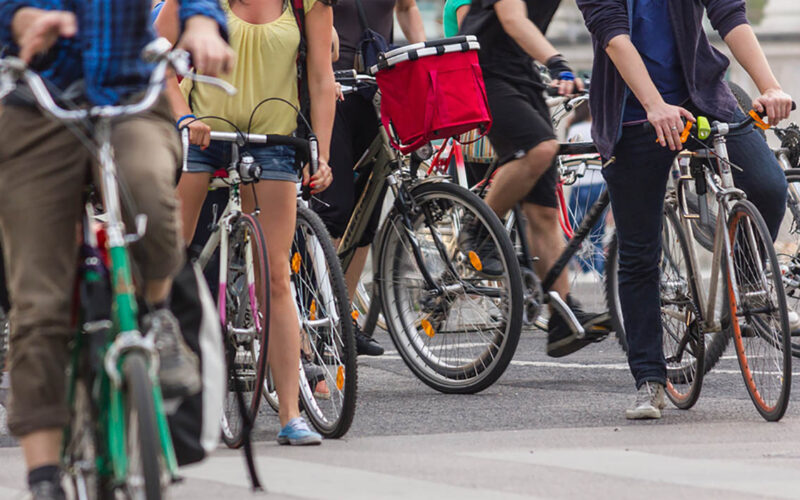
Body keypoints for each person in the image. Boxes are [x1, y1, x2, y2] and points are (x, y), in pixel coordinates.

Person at [0, 1, 233, 498]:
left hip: (131, 98)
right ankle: (43, 479)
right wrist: (23, 20)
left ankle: (156, 313)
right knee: (39, 301)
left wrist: (200, 24)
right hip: (38, 103)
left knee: (150, 194)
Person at [576, 0, 793, 419]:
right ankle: (650, 379)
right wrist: (655, 105)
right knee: (640, 253)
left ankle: (747, 280)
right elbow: (614, 36)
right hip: (633, 115)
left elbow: (729, 14)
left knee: (767, 184)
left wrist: (769, 85)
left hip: (703, 98)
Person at [156, 0, 336, 445]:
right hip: (205, 137)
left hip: (273, 141)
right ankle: (156, 375)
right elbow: (157, 62)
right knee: (169, 263)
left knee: (276, 274)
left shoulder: (306, 3)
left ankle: (291, 415)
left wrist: (322, 153)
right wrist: (184, 115)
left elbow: (320, 77)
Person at [459, 0, 600, 358]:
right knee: (539, 148)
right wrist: (558, 62)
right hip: (482, 69)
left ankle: (562, 317)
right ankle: (476, 231)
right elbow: (511, 18)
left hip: (521, 72)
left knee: (544, 214)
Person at [313, 0, 426, 356]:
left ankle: (342, 319)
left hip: (377, 90)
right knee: (334, 211)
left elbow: (406, 8)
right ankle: (314, 320)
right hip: (334, 90)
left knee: (367, 216)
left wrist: (419, 55)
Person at [565, 104, 608, 275]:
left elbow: (569, 156)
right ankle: (597, 271)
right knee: (598, 230)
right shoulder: (600, 127)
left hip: (579, 184)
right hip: (600, 183)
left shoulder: (575, 128)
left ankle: (584, 268)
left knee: (576, 229)